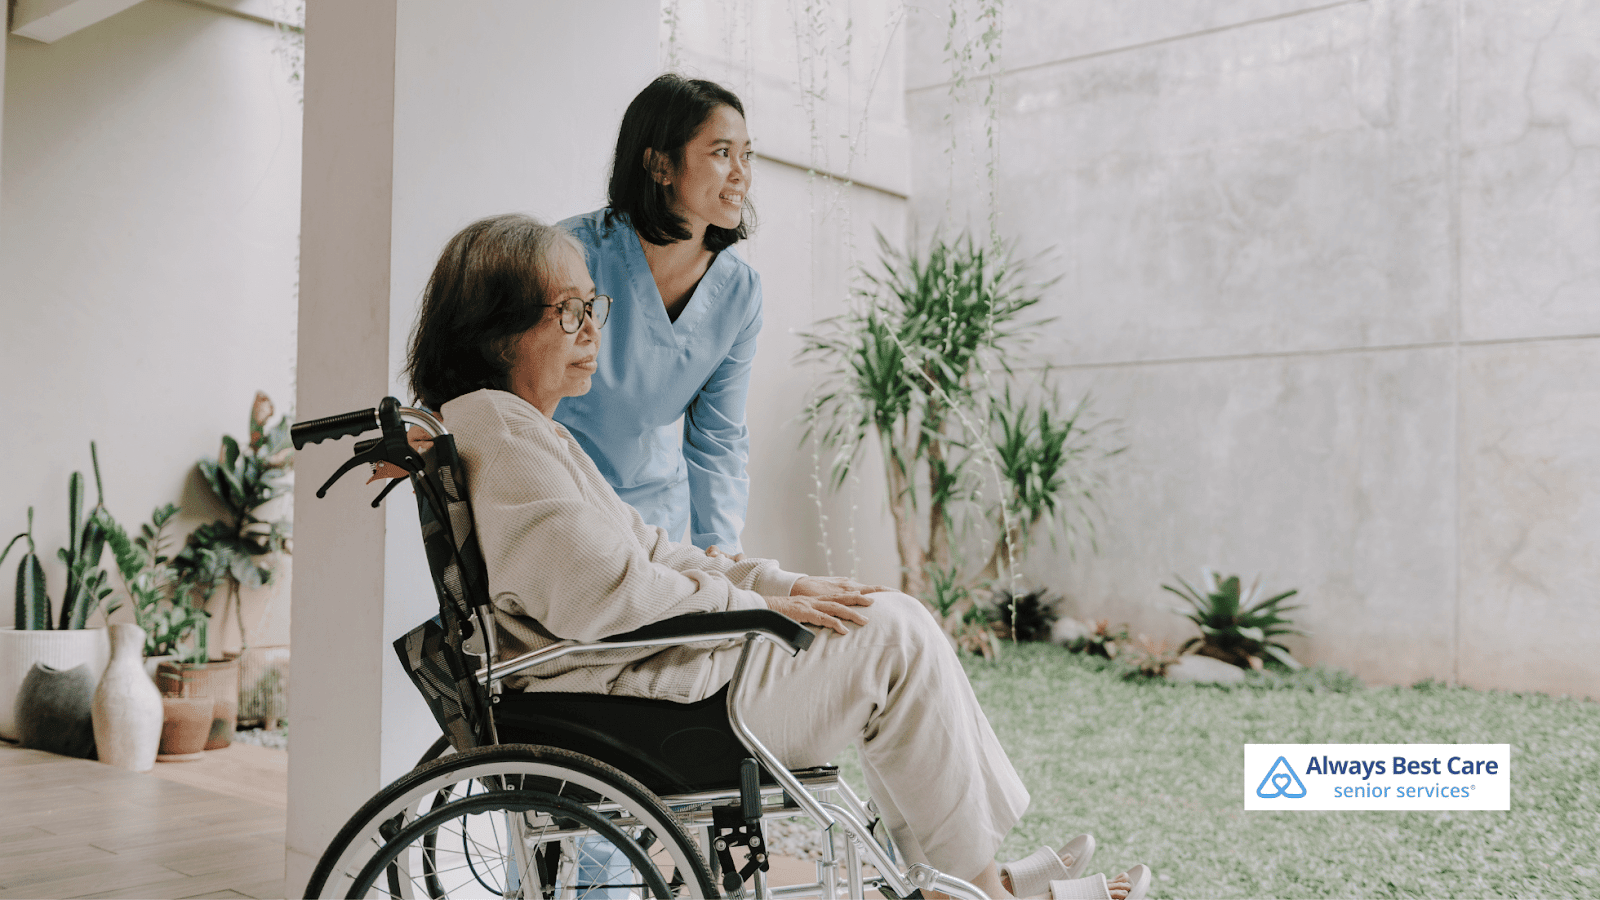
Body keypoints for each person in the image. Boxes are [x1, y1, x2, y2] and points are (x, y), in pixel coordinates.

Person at [403, 215, 1150, 900]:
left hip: (642, 678)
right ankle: (976, 889)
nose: (591, 329)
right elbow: (604, 593)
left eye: (591, 307)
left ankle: (960, 880)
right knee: (895, 634)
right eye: (566, 311)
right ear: (495, 330)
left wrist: (782, 584)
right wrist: (758, 608)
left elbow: (655, 551)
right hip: (639, 698)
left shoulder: (515, 428)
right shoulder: (504, 433)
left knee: (884, 618)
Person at [554, 74, 762, 558]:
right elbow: (502, 378)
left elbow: (718, 436)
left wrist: (722, 551)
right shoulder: (571, 254)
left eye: (746, 155)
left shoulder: (740, 292)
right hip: (560, 503)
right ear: (660, 165)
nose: (741, 173)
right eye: (721, 152)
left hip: (655, 527)